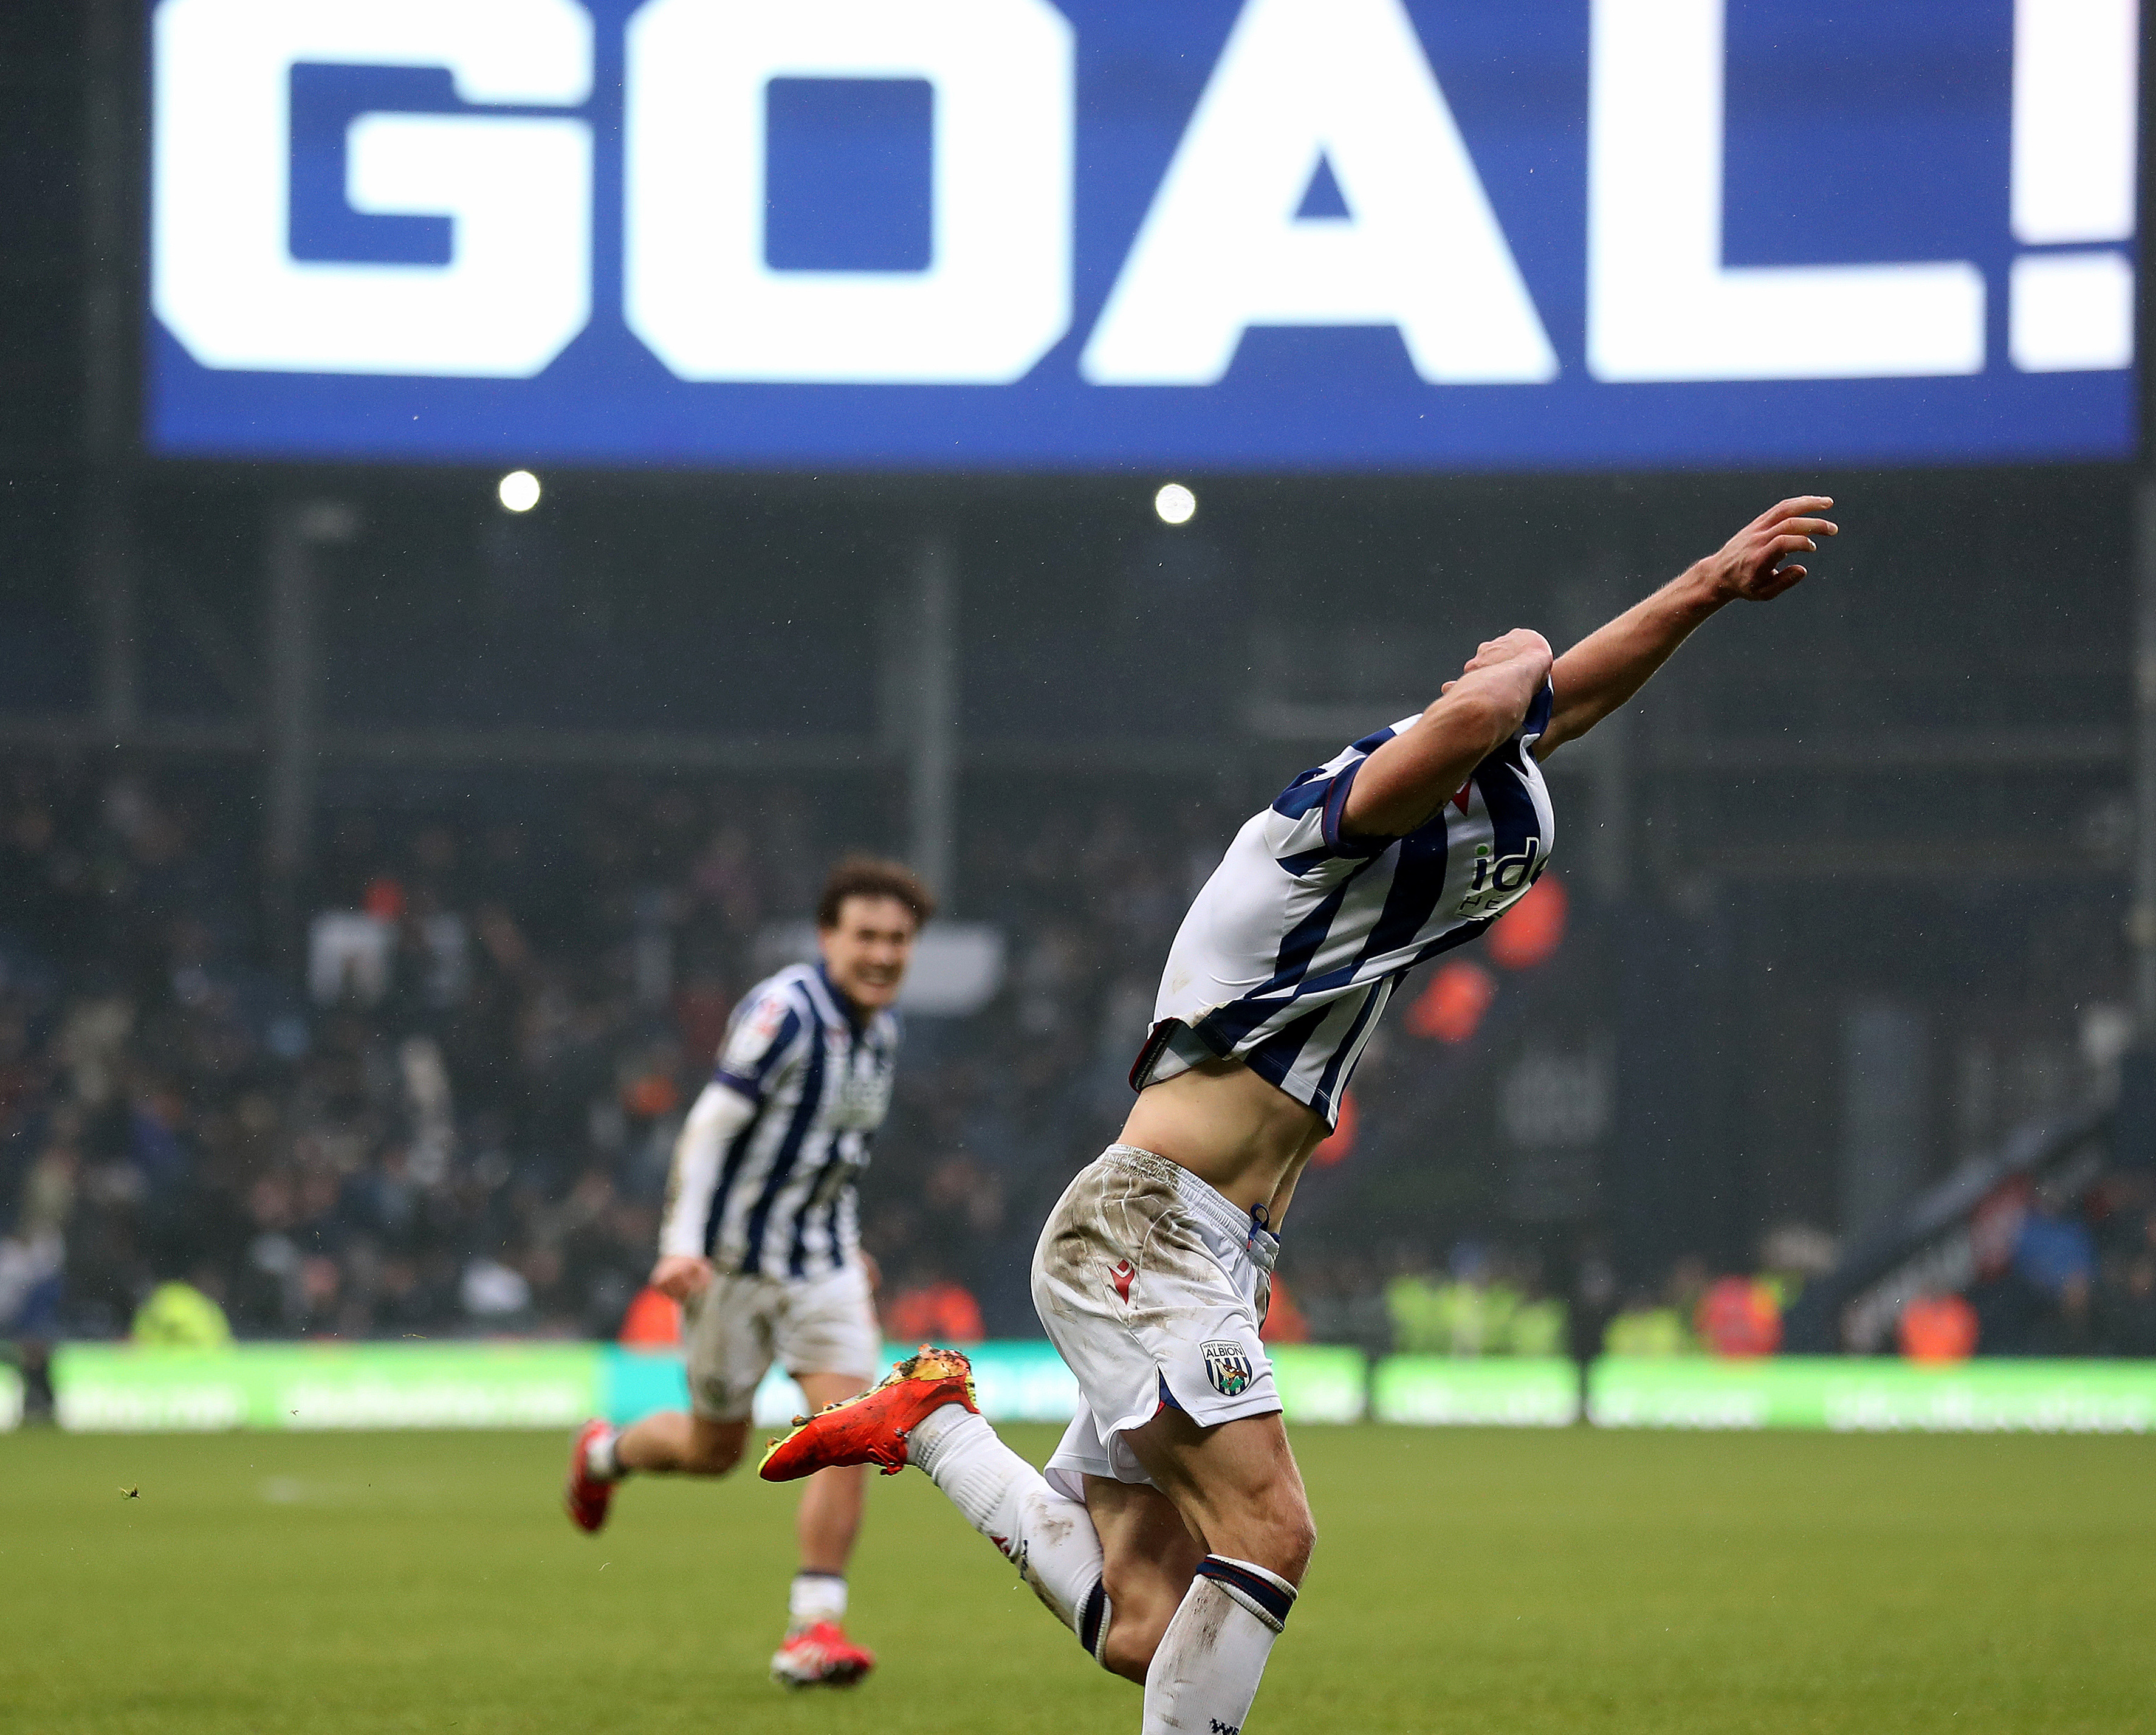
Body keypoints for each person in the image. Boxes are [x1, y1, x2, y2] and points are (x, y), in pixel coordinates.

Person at [761, 497, 1837, 1733]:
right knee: (1271, 1530)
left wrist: (1702, 585)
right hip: (1143, 1231)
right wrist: (1520, 648)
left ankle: (939, 1424)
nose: (1491, 671)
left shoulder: (1440, 808)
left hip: (1214, 1246)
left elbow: (1549, 705)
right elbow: (1502, 704)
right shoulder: (1313, 834)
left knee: (1149, 1626)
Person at [563, 856, 933, 1688]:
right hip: (729, 1269)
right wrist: (682, 1242)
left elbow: (830, 1151)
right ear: (827, 937)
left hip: (825, 1269)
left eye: (898, 940)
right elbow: (709, 1129)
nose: (881, 954)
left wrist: (841, 1236)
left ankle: (813, 1630)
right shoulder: (783, 1013)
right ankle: (605, 1454)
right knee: (710, 1449)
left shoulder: (882, 1029)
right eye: (866, 936)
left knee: (850, 1433)